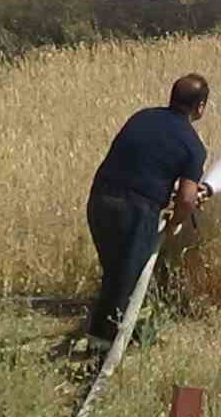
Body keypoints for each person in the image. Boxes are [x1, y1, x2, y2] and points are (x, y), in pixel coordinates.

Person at [84, 73, 211, 348]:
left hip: (99, 200)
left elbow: (145, 160)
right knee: (125, 278)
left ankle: (132, 335)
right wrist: (177, 220)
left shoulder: (142, 117)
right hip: (134, 211)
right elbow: (188, 200)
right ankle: (100, 351)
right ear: (200, 107)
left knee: (116, 273)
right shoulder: (193, 145)